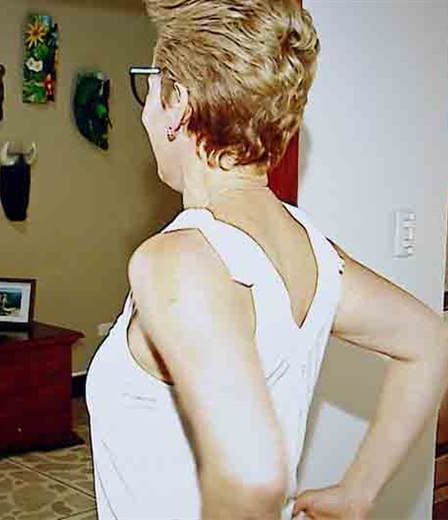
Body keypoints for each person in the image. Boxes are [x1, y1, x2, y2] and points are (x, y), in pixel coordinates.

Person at [85, 1, 448, 519]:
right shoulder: (312, 250)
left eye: (152, 86)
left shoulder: (178, 260)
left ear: (179, 103)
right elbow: (428, 339)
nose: (146, 111)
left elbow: (253, 475)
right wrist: (357, 493)